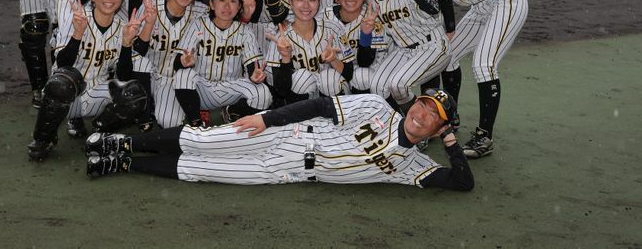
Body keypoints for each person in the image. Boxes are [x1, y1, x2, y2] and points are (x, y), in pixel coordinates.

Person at [85, 88, 473, 191]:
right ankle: (124, 141)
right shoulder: (375, 106)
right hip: (291, 135)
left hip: (288, 172)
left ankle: (124, 161)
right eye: (422, 105)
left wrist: (452, 143)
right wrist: (266, 119)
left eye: (432, 118)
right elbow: (319, 106)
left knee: (200, 170)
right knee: (207, 140)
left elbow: (461, 183)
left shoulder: (415, 168)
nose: (420, 114)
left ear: (439, 129)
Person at [401, 0, 529, 158]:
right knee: (445, 56)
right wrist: (450, 30)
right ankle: (451, 116)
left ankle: (484, 136)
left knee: (483, 65)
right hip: (480, 8)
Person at [27, 0, 149, 161]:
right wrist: (77, 34)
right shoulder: (77, 17)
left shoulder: (121, 27)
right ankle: (43, 139)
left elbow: (124, 77)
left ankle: (100, 129)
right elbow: (62, 62)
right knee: (63, 82)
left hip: (96, 91)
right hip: (64, 97)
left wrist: (126, 44)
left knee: (134, 95)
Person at [362, 0, 450, 125]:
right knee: (377, 86)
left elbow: (435, 9)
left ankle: (419, 126)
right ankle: (395, 126)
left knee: (399, 85)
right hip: (404, 50)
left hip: (433, 45)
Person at [171, 0, 270, 124]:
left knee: (263, 94)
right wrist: (182, 61)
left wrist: (255, 75)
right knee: (183, 75)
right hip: (202, 89)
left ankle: (231, 111)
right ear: (211, 4)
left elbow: (252, 67)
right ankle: (196, 122)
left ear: (239, 7)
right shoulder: (198, 25)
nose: (227, 6)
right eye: (221, 0)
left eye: (233, 1)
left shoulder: (245, 31)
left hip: (231, 88)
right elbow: (176, 64)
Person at [118, 0, 204, 129]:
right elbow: (138, 51)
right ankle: (143, 115)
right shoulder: (151, 6)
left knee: (169, 122)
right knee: (139, 60)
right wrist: (149, 25)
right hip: (147, 75)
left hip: (173, 79)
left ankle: (156, 105)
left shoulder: (203, 12)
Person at [265, 0, 353, 101]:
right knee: (301, 78)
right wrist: (285, 58)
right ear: (290, 2)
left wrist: (334, 60)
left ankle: (338, 117)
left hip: (332, 94)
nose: (306, 5)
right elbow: (281, 91)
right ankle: (305, 119)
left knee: (329, 77)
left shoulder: (332, 28)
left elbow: (349, 74)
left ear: (319, 2)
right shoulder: (280, 37)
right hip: (301, 101)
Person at [323, 0, 388, 94]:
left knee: (361, 76)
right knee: (327, 78)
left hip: (367, 77)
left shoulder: (373, 18)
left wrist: (366, 34)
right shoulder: (325, 15)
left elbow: (365, 62)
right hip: (337, 74)